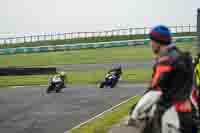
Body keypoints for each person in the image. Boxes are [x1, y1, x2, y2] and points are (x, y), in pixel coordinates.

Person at [130, 25, 197, 133]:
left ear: (157, 42)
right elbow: (192, 89)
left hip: (170, 118)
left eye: (151, 41)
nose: (150, 44)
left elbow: (154, 92)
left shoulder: (165, 61)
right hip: (188, 115)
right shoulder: (185, 58)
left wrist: (135, 112)